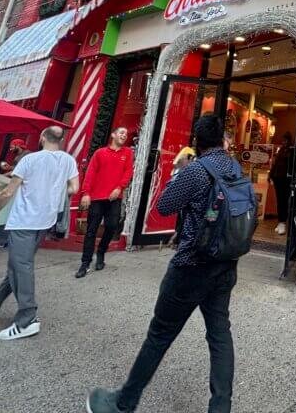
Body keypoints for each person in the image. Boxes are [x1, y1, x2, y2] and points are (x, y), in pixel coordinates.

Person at [88, 114, 241, 413]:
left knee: (159, 334)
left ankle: (123, 403)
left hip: (191, 265)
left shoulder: (196, 170)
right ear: (222, 138)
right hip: (225, 263)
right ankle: (221, 407)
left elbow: (164, 205)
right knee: (220, 334)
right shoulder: (234, 167)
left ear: (197, 141)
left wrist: (180, 174)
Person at [0, 125, 78, 341]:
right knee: (18, 265)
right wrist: (53, 191)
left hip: (24, 221)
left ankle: (27, 318)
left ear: (42, 137)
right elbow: (73, 188)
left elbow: (8, 191)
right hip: (45, 221)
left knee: (21, 267)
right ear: (60, 141)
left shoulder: (29, 160)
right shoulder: (68, 160)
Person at [77, 126, 134, 278]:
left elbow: (128, 172)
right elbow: (90, 173)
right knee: (91, 230)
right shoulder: (100, 153)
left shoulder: (128, 153)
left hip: (114, 198)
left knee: (111, 226)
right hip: (96, 197)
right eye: (122, 132)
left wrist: (119, 188)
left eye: (126, 134)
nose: (124, 135)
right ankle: (85, 262)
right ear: (113, 135)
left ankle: (101, 251)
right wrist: (86, 193)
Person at [269, 133, 293, 236]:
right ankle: (280, 222)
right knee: (280, 200)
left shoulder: (290, 151)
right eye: (283, 140)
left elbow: (289, 165)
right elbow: (275, 164)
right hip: (278, 178)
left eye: (285, 140)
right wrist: (270, 175)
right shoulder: (281, 150)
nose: (283, 142)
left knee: (284, 200)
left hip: (285, 179)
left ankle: (282, 222)